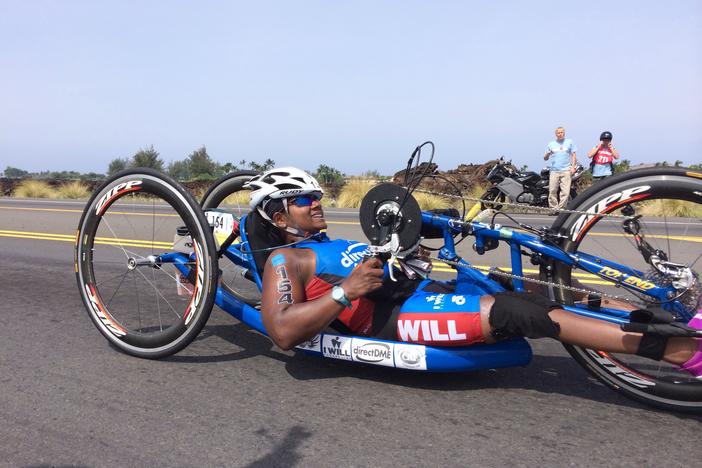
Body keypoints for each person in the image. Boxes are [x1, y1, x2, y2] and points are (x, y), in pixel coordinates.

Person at [247, 167, 702, 377]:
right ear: (279, 216)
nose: (316, 202)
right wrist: (346, 292)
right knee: (517, 313)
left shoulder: (330, 243)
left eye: (316, 194)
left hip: (426, 288)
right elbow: (283, 331)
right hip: (397, 319)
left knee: (539, 287)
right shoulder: (286, 263)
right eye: (303, 199)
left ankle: (675, 322)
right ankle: (679, 351)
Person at [544, 127, 578, 213]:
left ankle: (561, 209)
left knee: (565, 192)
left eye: (562, 132)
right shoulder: (551, 144)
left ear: (564, 133)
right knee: (552, 191)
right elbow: (545, 158)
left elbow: (573, 155)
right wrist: (547, 154)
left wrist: (573, 167)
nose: (560, 134)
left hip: (566, 170)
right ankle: (553, 209)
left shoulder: (569, 142)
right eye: (558, 133)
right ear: (556, 134)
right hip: (554, 171)